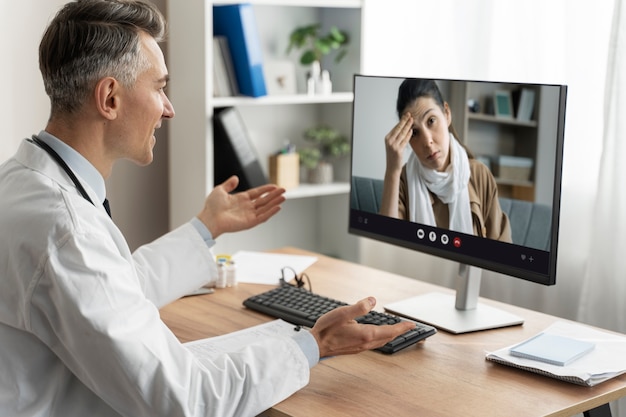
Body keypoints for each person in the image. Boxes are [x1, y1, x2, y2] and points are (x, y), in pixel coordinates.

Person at [0, 1, 416, 416]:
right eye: (159, 87)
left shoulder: (20, 182)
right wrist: (313, 345)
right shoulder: (67, 230)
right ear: (110, 98)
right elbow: (187, 401)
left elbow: (111, 287)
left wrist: (206, 226)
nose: (169, 108)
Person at [380, 78, 512, 241]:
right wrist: (392, 170)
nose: (427, 141)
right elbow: (385, 247)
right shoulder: (402, 180)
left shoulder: (479, 175)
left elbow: (502, 254)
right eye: (414, 133)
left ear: (447, 114)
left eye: (431, 121)